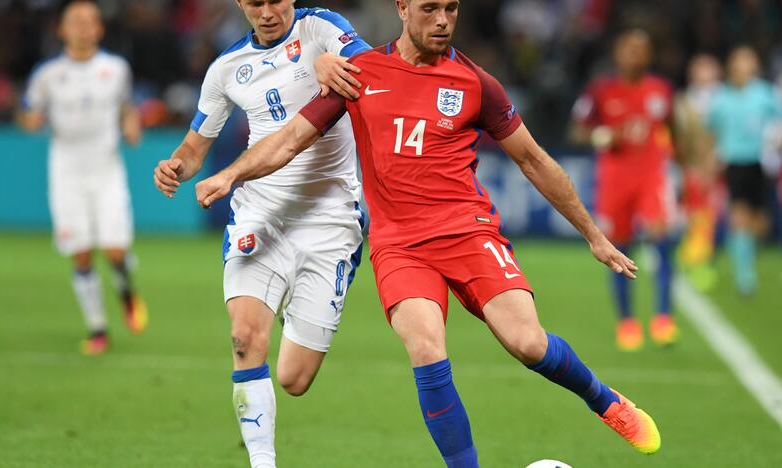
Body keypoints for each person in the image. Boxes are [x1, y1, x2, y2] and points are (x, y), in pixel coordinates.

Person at [193, 0, 661, 465]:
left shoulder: (477, 83)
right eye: (430, 9)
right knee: (426, 349)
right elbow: (290, 139)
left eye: (451, 10)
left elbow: (533, 160)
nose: (442, 21)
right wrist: (232, 174)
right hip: (399, 247)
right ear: (402, 8)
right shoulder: (360, 73)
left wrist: (594, 236)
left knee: (528, 343)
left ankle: (607, 402)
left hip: (468, 233)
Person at [153, 1, 369, 467]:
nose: (267, 11)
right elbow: (194, 146)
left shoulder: (322, 27)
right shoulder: (226, 68)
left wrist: (332, 62)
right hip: (259, 214)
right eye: (255, 2)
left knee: (294, 378)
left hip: (329, 221)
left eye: (275, 0)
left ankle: (301, 307)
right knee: (245, 338)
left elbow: (372, 67)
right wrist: (176, 167)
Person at [19, 0, 147, 356]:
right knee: (81, 253)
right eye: (75, 21)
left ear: (99, 29)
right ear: (61, 29)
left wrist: (131, 124)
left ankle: (125, 289)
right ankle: (98, 328)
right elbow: (29, 110)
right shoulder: (47, 75)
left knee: (115, 250)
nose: (82, 27)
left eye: (89, 21)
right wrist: (29, 120)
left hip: (107, 169)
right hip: (67, 172)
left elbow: (127, 107)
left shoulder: (116, 69)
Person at [571, 30, 678, 351]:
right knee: (619, 248)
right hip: (615, 180)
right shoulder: (601, 90)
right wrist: (604, 137)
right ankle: (627, 322)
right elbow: (577, 131)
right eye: (629, 49)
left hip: (651, 177)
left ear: (649, 55)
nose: (635, 55)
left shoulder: (660, 90)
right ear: (618, 54)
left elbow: (675, 130)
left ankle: (663, 319)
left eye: (641, 49)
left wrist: (685, 165)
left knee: (661, 238)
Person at [707, 46, 782, 295]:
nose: (743, 65)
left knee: (760, 223)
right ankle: (744, 275)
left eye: (748, 60)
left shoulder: (763, 94)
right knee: (739, 214)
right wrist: (711, 157)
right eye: (739, 60)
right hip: (734, 161)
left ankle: (743, 251)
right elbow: (711, 130)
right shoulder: (722, 98)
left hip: (759, 162)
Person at [673, 54, 723, 291]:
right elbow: (678, 137)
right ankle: (695, 259)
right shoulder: (683, 101)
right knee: (695, 213)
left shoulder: (724, 98)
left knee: (711, 213)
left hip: (719, 166)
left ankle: (700, 258)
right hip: (691, 167)